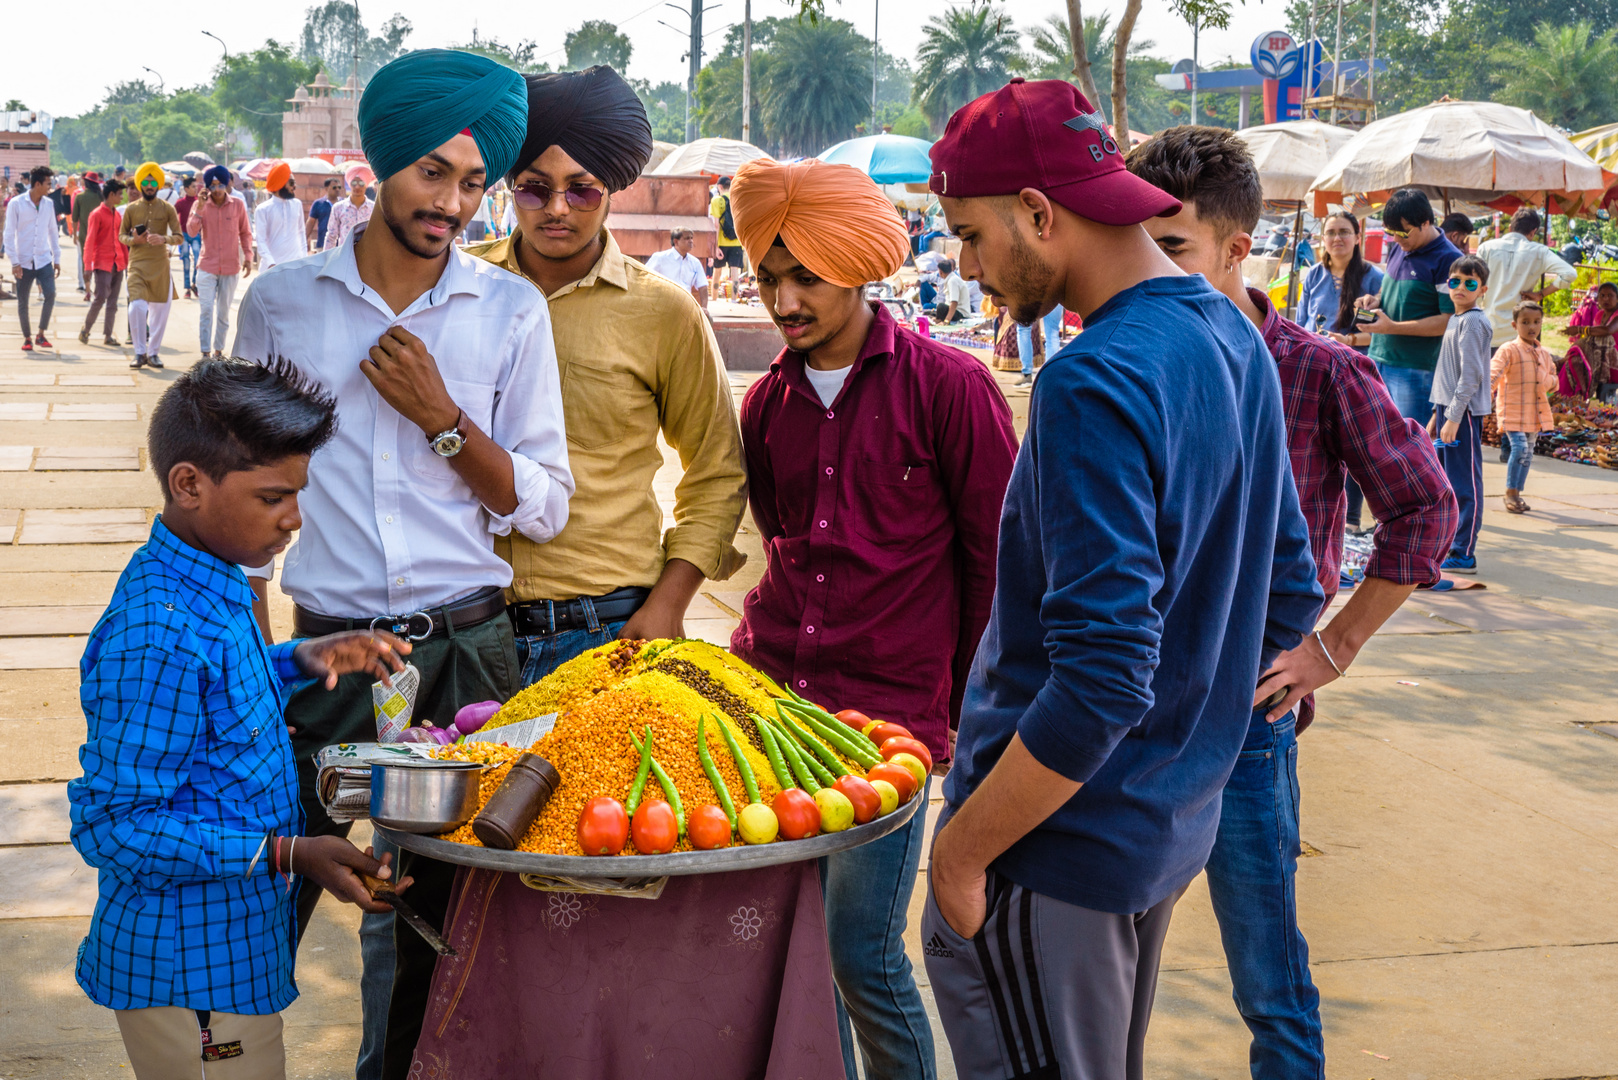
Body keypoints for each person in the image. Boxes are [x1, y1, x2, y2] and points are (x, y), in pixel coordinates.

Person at [920, 79, 1321, 1080]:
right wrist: (1183, 765)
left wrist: (963, 852)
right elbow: (1286, 588)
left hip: (1056, 844)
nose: (969, 269)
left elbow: (1103, 672)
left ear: (1039, 213)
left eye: (971, 236)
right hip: (1162, 830)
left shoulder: (1093, 379)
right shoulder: (1234, 336)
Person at [232, 49, 567, 1080]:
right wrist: (246, 640)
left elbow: (543, 508)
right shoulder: (283, 304)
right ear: (383, 166)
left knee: (430, 934)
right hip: (323, 660)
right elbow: (235, 481)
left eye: (473, 182)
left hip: (462, 657)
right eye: (433, 173)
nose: (453, 203)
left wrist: (442, 420)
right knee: (261, 898)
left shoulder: (508, 312)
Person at [1128, 125, 1456, 1080]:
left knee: (1267, 974)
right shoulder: (1130, 358)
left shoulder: (1317, 369)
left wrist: (1332, 647)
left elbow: (1424, 508)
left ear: (1238, 250)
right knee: (1105, 963)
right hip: (1125, 711)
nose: (1150, 270)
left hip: (1244, 719)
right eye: (1138, 244)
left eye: (1174, 248)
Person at [725, 156, 1016, 1080]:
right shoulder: (767, 404)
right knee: (793, 958)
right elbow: (785, 547)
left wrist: (972, 713)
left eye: (805, 275)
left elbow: (997, 567)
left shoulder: (950, 386)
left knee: (864, 955)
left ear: (860, 266)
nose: (784, 299)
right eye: (771, 278)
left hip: (892, 722)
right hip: (775, 710)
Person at [69, 358, 413, 1080]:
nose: (293, 518)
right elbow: (114, 825)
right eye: (272, 497)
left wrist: (299, 657)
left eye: (298, 495)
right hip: (187, 975)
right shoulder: (155, 629)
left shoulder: (211, 575)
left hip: (230, 957)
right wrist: (290, 853)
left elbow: (211, 695)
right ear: (189, 483)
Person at [1298, 211, 1388, 534]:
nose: (1337, 238)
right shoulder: (1313, 276)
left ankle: (1350, 521)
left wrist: (1346, 340)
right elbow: (1301, 326)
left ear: (1357, 237)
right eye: (1331, 232)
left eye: (1344, 232)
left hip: (1354, 374)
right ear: (1322, 239)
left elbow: (1379, 332)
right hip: (1314, 373)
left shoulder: (1373, 279)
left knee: (1355, 448)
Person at [1355, 188, 1463, 424]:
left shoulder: (1449, 260)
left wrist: (1392, 326)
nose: (1396, 239)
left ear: (1425, 223)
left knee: (1410, 446)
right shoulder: (1399, 246)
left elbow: (1447, 321)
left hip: (1415, 369)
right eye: (1390, 233)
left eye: (1402, 233)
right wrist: (1375, 300)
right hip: (1378, 358)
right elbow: (1388, 287)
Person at [1428, 254, 1492, 574]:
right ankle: (1449, 543)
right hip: (1447, 410)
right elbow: (1448, 373)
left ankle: (1464, 551)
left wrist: (1452, 417)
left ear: (1482, 289)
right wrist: (1436, 417)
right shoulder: (1456, 319)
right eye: (1455, 282)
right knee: (1447, 482)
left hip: (1462, 413)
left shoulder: (1474, 322)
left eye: (1470, 283)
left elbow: (1471, 377)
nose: (1461, 288)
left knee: (1464, 483)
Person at [1476, 208, 1577, 352]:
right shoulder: (1539, 251)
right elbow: (1570, 273)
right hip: (1519, 333)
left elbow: (1475, 284)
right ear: (1533, 232)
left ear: (1510, 228)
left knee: (1487, 374)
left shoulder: (1486, 248)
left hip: (1487, 329)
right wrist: (1541, 294)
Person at [1492, 301, 1557, 514]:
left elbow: (1555, 382)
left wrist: (1546, 380)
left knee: (1528, 454)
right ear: (1514, 325)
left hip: (1534, 413)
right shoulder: (1509, 350)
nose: (1532, 327)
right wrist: (1480, 396)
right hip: (1512, 411)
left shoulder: (1544, 354)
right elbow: (1493, 373)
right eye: (1525, 322)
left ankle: (1517, 493)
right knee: (1519, 448)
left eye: (1537, 322)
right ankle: (1510, 493)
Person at [187, 165, 255, 360]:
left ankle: (218, 351)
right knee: (206, 309)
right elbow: (191, 232)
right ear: (207, 187)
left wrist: (248, 257)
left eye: (221, 185)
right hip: (207, 265)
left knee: (223, 312)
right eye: (213, 185)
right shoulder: (200, 205)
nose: (217, 190)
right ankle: (205, 352)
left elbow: (245, 232)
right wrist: (199, 208)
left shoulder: (237, 205)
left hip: (230, 266)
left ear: (228, 184)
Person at [120, 162, 183, 370]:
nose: (149, 185)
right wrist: (134, 241)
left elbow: (179, 237)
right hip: (137, 264)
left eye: (153, 182)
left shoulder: (167, 208)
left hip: (160, 266)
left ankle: (153, 353)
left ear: (158, 185)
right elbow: (121, 236)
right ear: (140, 185)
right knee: (136, 306)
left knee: (160, 312)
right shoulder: (130, 209)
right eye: (145, 182)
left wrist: (163, 239)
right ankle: (139, 352)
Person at [4, 165, 60, 352]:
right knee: (23, 300)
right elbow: (9, 234)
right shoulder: (16, 204)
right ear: (37, 184)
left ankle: (41, 334)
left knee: (50, 294)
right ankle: (27, 337)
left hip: (44, 259)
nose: (50, 188)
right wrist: (14, 262)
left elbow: (53, 232)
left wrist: (57, 258)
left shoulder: (48, 204)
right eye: (47, 184)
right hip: (23, 261)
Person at [78, 179, 128, 347]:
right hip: (103, 263)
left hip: (118, 262)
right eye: (120, 194)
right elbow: (90, 241)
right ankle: (86, 330)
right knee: (100, 298)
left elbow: (121, 240)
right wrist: (87, 267)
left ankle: (108, 335)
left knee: (113, 302)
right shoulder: (97, 214)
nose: (122, 197)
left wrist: (127, 262)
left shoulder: (118, 214)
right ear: (111, 194)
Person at [253, 162, 307, 270]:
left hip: (294, 267)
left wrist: (304, 259)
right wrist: (271, 263)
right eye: (291, 183)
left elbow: (301, 233)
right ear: (280, 183)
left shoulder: (297, 204)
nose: (294, 186)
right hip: (271, 268)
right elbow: (261, 240)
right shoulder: (263, 209)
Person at [642, 227, 710, 309]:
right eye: (687, 238)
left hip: (686, 305)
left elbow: (703, 286)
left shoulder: (695, 262)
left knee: (708, 319)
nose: (691, 241)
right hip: (663, 304)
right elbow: (644, 277)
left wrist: (704, 308)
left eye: (691, 238)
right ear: (676, 241)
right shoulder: (660, 258)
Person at [71, 171, 104, 299]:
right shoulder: (101, 197)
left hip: (85, 234)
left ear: (86, 182)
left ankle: (88, 290)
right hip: (100, 234)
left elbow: (75, 218)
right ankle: (98, 289)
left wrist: (74, 235)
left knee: (86, 261)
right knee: (99, 261)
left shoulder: (79, 197)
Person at [709, 174, 745, 293]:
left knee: (717, 271)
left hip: (721, 243)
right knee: (735, 272)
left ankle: (714, 299)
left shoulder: (716, 200)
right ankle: (734, 301)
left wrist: (716, 246)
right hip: (737, 242)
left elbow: (716, 224)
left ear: (719, 186)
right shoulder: (738, 199)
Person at [1013, 304, 1063, 386]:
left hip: (1029, 294)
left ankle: (1026, 374)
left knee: (1023, 328)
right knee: (1052, 333)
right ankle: (1049, 376)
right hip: (1055, 293)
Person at [326, 172, 374, 250]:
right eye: (354, 183)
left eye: (361, 183)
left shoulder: (373, 208)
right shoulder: (338, 208)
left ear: (366, 185)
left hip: (368, 256)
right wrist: (327, 259)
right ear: (349, 184)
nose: (357, 186)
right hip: (345, 255)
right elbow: (331, 236)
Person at [175, 175, 203, 299]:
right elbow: (172, 216)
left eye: (196, 186)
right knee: (186, 260)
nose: (195, 189)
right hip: (184, 235)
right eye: (193, 187)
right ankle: (187, 288)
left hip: (197, 235)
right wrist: (177, 232)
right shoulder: (180, 203)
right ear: (186, 189)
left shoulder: (200, 202)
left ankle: (194, 284)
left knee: (198, 259)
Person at [306, 176, 341, 251]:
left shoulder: (344, 204)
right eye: (334, 187)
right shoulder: (318, 203)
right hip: (323, 245)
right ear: (326, 188)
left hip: (341, 246)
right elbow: (311, 222)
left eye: (339, 187)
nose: (337, 189)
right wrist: (305, 239)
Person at [933, 257, 973, 323]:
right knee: (929, 313)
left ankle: (940, 320)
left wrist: (947, 320)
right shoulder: (951, 279)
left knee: (941, 306)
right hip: (954, 311)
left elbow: (954, 302)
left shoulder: (953, 281)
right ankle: (938, 319)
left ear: (941, 272)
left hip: (961, 314)